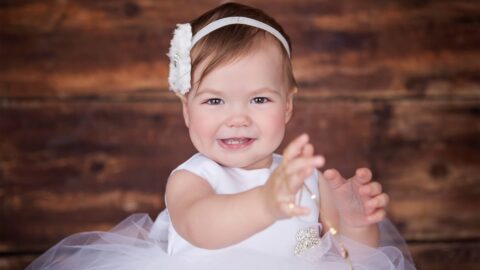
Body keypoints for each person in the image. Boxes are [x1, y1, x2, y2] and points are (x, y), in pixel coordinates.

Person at [26, 2, 415, 269]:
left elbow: (354, 257)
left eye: (259, 98)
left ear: (289, 106)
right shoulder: (192, 180)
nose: (238, 118)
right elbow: (202, 226)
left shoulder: (307, 181)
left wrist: (354, 221)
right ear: (186, 110)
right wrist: (265, 202)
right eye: (214, 102)